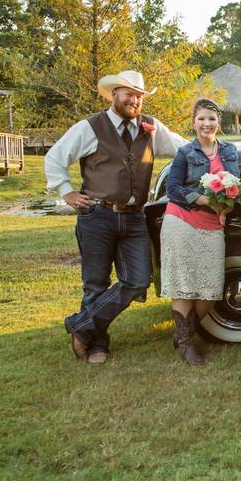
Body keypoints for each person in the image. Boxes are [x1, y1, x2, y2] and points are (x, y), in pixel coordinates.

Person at [45, 70, 187, 364]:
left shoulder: (150, 127)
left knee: (138, 280)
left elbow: (184, 148)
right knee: (95, 283)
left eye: (139, 95)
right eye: (128, 93)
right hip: (97, 214)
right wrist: (67, 192)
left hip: (135, 218)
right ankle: (97, 345)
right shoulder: (91, 127)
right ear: (114, 94)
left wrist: (216, 151)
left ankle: (81, 327)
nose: (134, 100)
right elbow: (55, 157)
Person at [160, 99, 239, 365]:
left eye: (212, 119)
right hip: (181, 222)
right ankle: (186, 343)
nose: (207, 124)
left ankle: (184, 332)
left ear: (219, 123)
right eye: (201, 119)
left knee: (209, 289)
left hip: (212, 226)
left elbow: (236, 185)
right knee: (184, 286)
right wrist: (204, 200)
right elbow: (173, 189)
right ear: (193, 121)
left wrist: (227, 204)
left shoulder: (229, 151)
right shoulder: (185, 152)